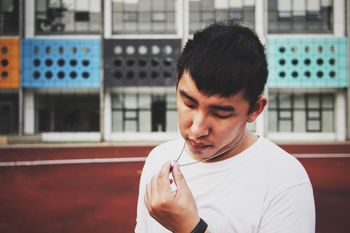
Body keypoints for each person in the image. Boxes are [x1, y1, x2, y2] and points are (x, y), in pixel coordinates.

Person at [135, 20, 315, 233]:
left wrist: (191, 228)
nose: (196, 129)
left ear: (255, 109)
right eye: (189, 104)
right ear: (177, 83)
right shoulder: (158, 159)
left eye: (220, 114)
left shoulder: (285, 180)